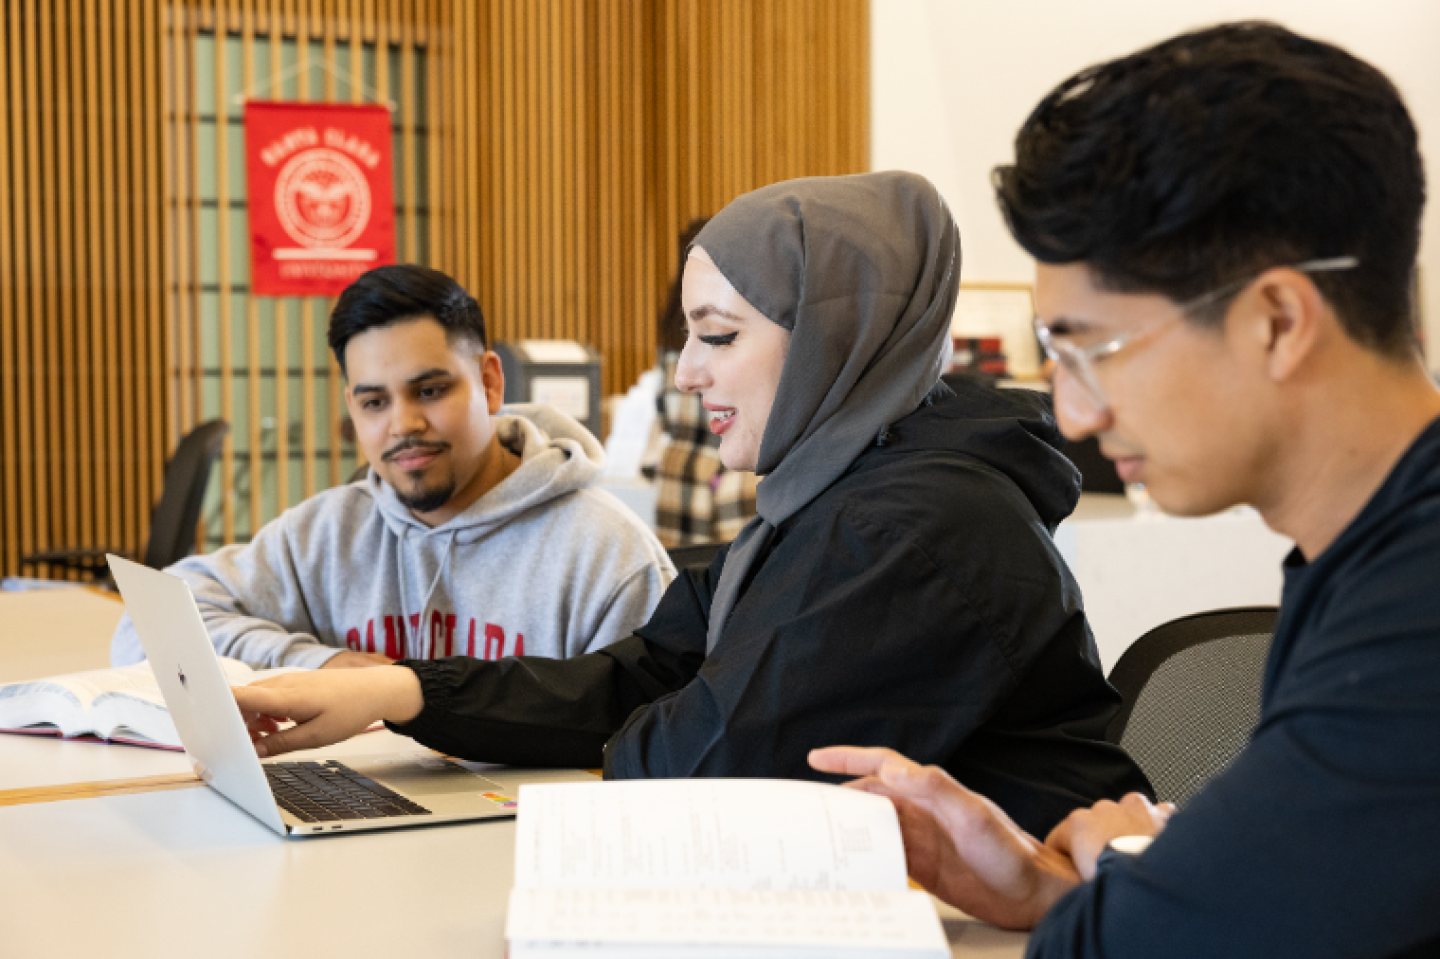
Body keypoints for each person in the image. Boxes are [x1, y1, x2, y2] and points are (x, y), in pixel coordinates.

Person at [234, 171, 1148, 838]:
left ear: (835, 340)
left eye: (717, 335)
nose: (687, 369)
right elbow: (641, 674)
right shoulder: (829, 492)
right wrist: (396, 690)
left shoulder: (908, 527)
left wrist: (660, 709)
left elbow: (693, 762)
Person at [812, 22, 1440, 958]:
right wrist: (1053, 878)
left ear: (1275, 320)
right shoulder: (1366, 554)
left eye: (1091, 351)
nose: (1072, 414)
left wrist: (1110, 882)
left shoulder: (1414, 615)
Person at [112, 264, 673, 669]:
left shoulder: (606, 554)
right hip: (358, 821)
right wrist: (322, 668)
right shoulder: (328, 534)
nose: (402, 424)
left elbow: (656, 739)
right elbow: (146, 625)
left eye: (429, 390)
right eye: (374, 402)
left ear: (490, 381)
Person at [651, 216, 760, 548]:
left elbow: (661, 408)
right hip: (728, 478)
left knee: (687, 583)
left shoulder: (673, 329)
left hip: (679, 474)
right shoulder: (727, 321)